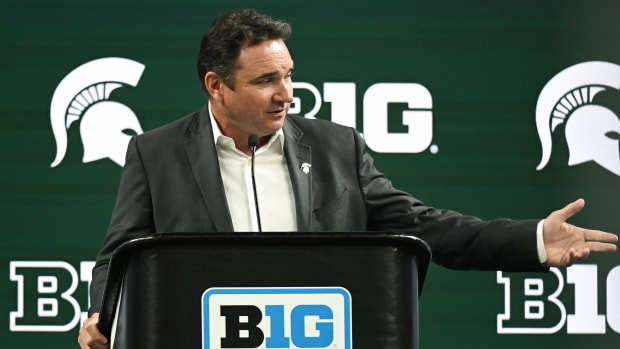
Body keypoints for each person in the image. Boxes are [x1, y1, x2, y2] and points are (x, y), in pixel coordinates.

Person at [78, 8, 618, 349]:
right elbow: (121, 253)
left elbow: (423, 226)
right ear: (216, 85)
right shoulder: (156, 153)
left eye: (288, 74)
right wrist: (103, 312)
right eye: (266, 80)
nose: (286, 93)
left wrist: (531, 240)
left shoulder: (338, 148)